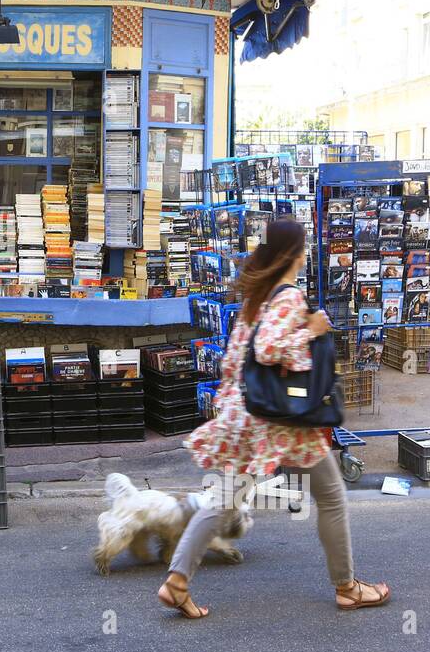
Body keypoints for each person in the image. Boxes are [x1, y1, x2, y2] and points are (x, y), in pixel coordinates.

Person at [158, 218, 391, 618]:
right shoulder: (287, 298)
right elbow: (268, 351)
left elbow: (237, 360)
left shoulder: (256, 297)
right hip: (285, 422)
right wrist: (312, 330)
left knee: (225, 498)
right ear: (295, 253)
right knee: (332, 498)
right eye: (305, 245)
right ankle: (348, 588)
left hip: (250, 416)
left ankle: (177, 582)